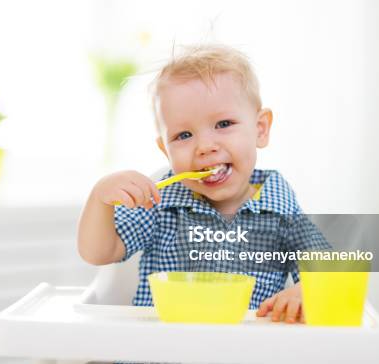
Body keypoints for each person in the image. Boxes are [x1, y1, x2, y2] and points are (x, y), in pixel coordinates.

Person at [77, 44, 330, 323]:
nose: (205, 146)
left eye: (223, 124)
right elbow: (98, 253)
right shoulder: (160, 202)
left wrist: (307, 289)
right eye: (184, 135)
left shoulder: (280, 208)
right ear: (166, 150)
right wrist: (100, 198)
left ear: (260, 129)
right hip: (162, 349)